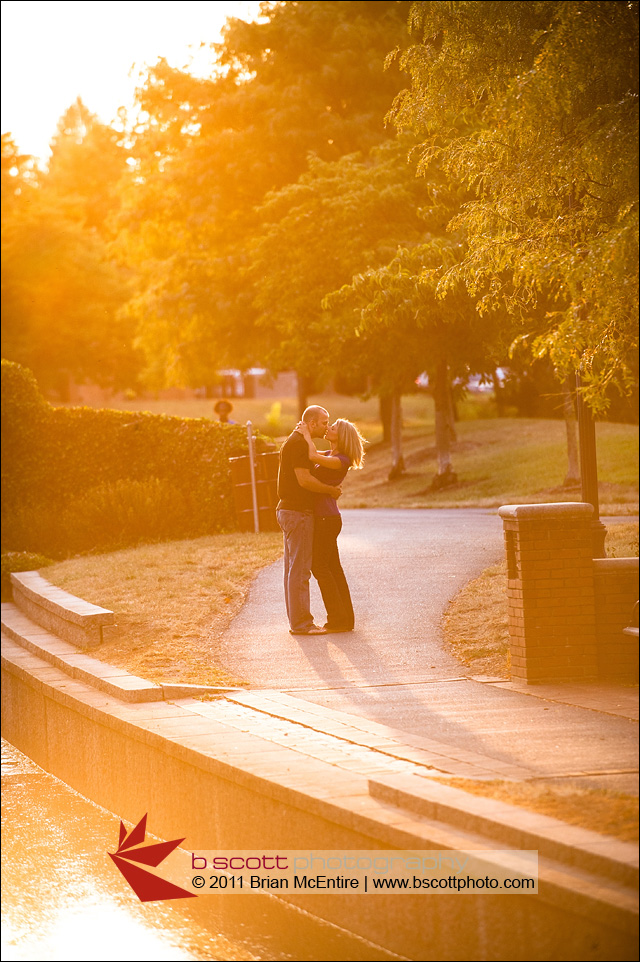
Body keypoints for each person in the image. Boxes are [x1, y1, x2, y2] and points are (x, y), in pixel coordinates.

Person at [276, 406, 342, 635]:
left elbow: (316, 458)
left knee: (293, 570)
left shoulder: (297, 441)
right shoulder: (299, 444)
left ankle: (297, 622)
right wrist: (330, 490)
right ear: (312, 423)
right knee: (300, 571)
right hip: (298, 512)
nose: (326, 426)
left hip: (290, 511)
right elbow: (304, 480)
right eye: (324, 422)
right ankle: (302, 624)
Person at [296, 417, 365, 632]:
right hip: (326, 517)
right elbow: (314, 456)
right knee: (333, 568)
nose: (328, 428)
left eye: (332, 427)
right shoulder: (330, 455)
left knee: (320, 567)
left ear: (341, 436)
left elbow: (311, 455)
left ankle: (337, 619)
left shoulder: (340, 460)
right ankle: (345, 620)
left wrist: (306, 434)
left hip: (327, 519)